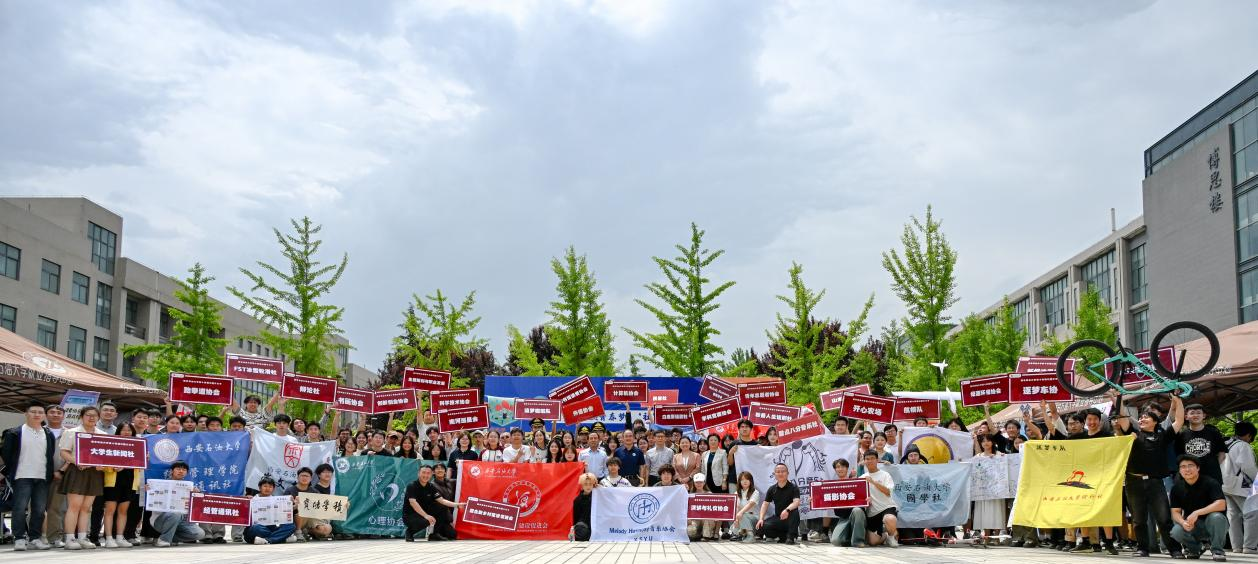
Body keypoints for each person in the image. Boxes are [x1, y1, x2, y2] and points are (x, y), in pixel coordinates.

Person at [1115, 394, 1185, 558]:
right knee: (1138, 519)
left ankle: (1174, 549)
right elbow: (1123, 416)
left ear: (1155, 422)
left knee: (1164, 518)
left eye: (1146, 417)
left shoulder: (1162, 436)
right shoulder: (1133, 434)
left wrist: (1178, 401)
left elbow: (1179, 420)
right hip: (1133, 482)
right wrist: (1117, 399)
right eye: (1141, 417)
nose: (1142, 419)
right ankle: (1143, 548)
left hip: (1155, 482)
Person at [2, 403, 56, 551]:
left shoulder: (48, 434)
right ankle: (19, 538)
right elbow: (6, 454)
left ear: (44, 415)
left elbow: (50, 454)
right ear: (26, 414)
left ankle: (34, 538)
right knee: (19, 508)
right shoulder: (14, 433)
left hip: (42, 477)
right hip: (22, 476)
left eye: (40, 412)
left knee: (39, 510)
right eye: (33, 412)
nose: (37, 415)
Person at [58, 405, 104, 550]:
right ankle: (70, 538)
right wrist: (77, 461)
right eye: (88, 415)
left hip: (95, 473)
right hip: (77, 471)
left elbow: (105, 455)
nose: (91, 418)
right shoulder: (71, 432)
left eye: (94, 415)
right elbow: (64, 452)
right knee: (74, 506)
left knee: (87, 508)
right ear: (81, 417)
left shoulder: (102, 434)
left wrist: (102, 465)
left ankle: (83, 538)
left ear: (98, 418)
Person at [1170, 455, 1230, 561]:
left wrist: (1197, 512)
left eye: (1190, 466)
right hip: (1193, 525)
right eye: (1183, 467)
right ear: (1179, 470)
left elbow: (1221, 504)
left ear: (1198, 468)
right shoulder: (1176, 488)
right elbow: (1175, 512)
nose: (1187, 469)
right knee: (1176, 531)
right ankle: (1195, 549)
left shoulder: (1210, 482)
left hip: (1213, 524)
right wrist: (1183, 522)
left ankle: (1217, 550)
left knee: (1216, 517)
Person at [99, 423, 141, 548]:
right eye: (123, 430)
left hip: (130, 481)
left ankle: (119, 537)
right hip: (113, 482)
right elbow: (103, 462)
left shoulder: (137, 446)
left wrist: (144, 458)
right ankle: (108, 538)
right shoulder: (111, 444)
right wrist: (112, 467)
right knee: (110, 511)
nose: (126, 432)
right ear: (118, 431)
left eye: (129, 430)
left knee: (123, 511)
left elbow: (140, 465)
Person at [147, 461, 205, 547]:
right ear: (172, 471)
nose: (181, 471)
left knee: (199, 534)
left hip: (182, 520)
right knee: (175, 513)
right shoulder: (160, 484)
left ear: (187, 473)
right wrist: (148, 489)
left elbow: (197, 507)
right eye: (178, 469)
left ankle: (168, 537)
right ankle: (164, 540)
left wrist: (197, 495)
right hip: (161, 519)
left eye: (184, 470)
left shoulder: (190, 487)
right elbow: (145, 492)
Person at [402, 465, 465, 542]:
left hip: (424, 513)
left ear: (431, 474)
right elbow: (413, 503)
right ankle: (409, 532)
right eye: (423, 472)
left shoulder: (431, 486)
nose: (426, 475)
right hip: (410, 515)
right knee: (426, 521)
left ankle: (434, 534)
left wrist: (457, 505)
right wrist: (426, 516)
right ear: (418, 473)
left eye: (428, 473)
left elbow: (442, 500)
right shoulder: (412, 486)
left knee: (443, 507)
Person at [1222, 421, 1256, 554]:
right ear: (1248, 435)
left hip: (1225, 484)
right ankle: (1250, 546)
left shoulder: (1226, 443)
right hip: (1240, 485)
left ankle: (1237, 546)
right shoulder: (1243, 445)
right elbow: (1248, 467)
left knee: (1233, 516)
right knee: (1251, 514)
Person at [1177, 404, 1228, 484]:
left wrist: (1214, 466)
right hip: (1191, 478)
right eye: (1192, 413)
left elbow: (1222, 453)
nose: (1196, 415)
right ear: (1186, 417)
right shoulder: (1182, 436)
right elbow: (1180, 457)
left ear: (1204, 415)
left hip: (1213, 477)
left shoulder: (1214, 433)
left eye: (1198, 413)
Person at [971, 434, 1006, 543]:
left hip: (996, 489)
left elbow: (1004, 467)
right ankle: (986, 536)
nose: (986, 443)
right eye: (983, 441)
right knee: (984, 511)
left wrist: (1001, 458)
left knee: (997, 511)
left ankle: (996, 537)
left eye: (988, 440)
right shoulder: (978, 457)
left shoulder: (999, 454)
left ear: (992, 442)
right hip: (982, 489)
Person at [860, 449, 898, 547]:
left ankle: (891, 537)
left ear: (877, 460)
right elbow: (859, 497)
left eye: (872, 458)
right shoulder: (862, 478)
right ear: (864, 461)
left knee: (890, 519)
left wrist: (873, 482)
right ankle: (885, 535)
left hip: (887, 507)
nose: (870, 461)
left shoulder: (885, 475)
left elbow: (888, 492)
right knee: (873, 542)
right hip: (872, 512)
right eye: (867, 459)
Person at [243, 477, 296, 545]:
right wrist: (246, 502)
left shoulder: (277, 500)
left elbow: (285, 513)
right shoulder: (253, 499)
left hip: (271, 528)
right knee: (256, 528)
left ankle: (268, 540)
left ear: (273, 489)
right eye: (265, 486)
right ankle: (281, 538)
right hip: (256, 530)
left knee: (291, 526)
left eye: (270, 487)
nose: (267, 488)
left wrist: (293, 505)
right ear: (260, 488)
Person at [756, 463, 800, 545]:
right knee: (761, 526)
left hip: (790, 518)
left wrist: (787, 510)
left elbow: (796, 502)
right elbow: (765, 504)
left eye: (783, 471)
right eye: (778, 472)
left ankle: (791, 537)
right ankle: (783, 536)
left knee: (795, 513)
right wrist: (761, 518)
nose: (780, 473)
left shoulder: (793, 487)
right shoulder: (772, 489)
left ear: (787, 473)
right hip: (779, 518)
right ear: (774, 474)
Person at [284, 467, 332, 541]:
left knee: (327, 529)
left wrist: (343, 505)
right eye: (302, 476)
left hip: (311, 519)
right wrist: (295, 506)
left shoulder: (314, 491)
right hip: (296, 519)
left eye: (307, 476)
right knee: (301, 510)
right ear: (298, 477)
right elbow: (283, 510)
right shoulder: (289, 491)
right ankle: (298, 532)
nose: (304, 478)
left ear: (310, 479)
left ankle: (306, 532)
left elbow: (324, 506)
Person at [828, 459, 867, 548]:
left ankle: (858, 541)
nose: (840, 469)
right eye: (838, 467)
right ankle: (849, 538)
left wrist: (867, 499)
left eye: (843, 466)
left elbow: (863, 500)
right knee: (835, 541)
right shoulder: (832, 486)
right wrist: (814, 500)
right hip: (844, 518)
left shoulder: (856, 483)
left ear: (847, 468)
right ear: (835, 470)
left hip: (857, 516)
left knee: (857, 510)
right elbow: (824, 502)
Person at [688, 472, 719, 541]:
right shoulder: (691, 495)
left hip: (707, 519)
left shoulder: (709, 494)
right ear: (694, 483)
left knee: (708, 519)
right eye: (697, 482)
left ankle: (706, 536)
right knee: (690, 532)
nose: (699, 484)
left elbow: (714, 508)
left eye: (701, 482)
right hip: (695, 519)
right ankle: (698, 534)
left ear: (704, 483)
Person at [732, 471, 760, 543]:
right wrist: (736, 519)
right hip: (740, 517)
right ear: (739, 482)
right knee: (734, 528)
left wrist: (740, 513)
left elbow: (750, 504)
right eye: (742, 479)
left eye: (747, 479)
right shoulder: (737, 493)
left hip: (753, 518)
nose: (745, 481)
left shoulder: (755, 492)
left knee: (743, 515)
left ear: (751, 481)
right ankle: (743, 534)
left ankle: (751, 536)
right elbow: (736, 507)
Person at [570, 473, 596, 542]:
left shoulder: (597, 497)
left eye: (590, 484)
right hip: (584, 526)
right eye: (586, 484)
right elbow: (576, 517)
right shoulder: (577, 500)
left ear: (593, 485)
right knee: (580, 528)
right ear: (582, 485)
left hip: (596, 525)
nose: (588, 486)